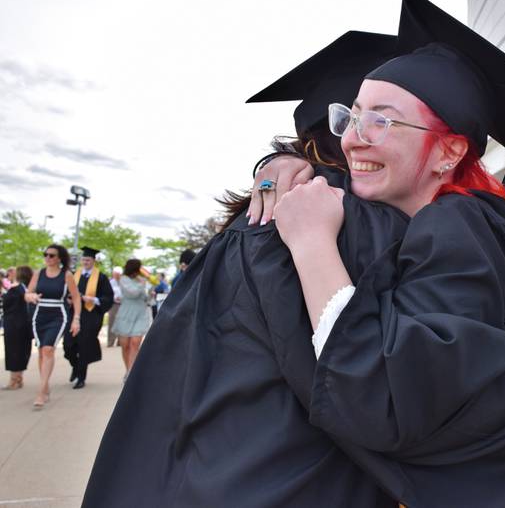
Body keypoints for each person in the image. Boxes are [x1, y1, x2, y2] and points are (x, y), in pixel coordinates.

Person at [269, 0, 505, 506]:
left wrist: (312, 242)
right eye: (353, 116)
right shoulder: (489, 223)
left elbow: (380, 394)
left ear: (448, 152)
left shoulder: (451, 226)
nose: (353, 139)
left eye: (382, 119)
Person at [84, 30, 413, 508]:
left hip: (194, 469)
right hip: (297, 479)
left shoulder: (254, 217)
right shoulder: (361, 224)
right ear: (353, 128)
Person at [24, 244, 81, 408]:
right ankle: (45, 385)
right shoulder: (39, 273)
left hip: (58, 315)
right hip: (39, 314)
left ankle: (41, 392)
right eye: (46, 254)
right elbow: (27, 294)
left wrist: (76, 319)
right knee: (42, 351)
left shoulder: (66, 275)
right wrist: (31, 296)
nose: (47, 258)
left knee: (48, 349)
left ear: (59, 258)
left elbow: (76, 298)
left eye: (51, 255)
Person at [65, 246, 114, 389]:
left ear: (93, 261)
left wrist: (92, 299)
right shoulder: (73, 275)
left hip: (91, 315)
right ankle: (75, 365)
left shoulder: (101, 277)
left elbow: (107, 298)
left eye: (88, 259)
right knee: (68, 344)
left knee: (84, 345)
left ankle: (81, 377)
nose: (85, 262)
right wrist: (68, 299)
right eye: (84, 259)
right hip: (73, 313)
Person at [112, 259, 152, 379]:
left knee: (135, 343)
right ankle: (127, 369)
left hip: (140, 313)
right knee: (125, 345)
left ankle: (131, 373)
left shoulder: (141, 280)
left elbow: (145, 297)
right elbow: (132, 293)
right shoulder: (124, 279)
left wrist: (150, 292)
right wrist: (142, 284)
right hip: (126, 314)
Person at [2, 265, 33, 390]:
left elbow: (6, 305)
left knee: (13, 352)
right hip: (25, 324)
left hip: (13, 325)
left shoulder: (15, 289)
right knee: (22, 351)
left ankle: (13, 380)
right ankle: (19, 378)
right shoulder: (27, 289)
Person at [107, 266, 123, 347]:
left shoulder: (124, 282)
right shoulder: (110, 282)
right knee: (112, 322)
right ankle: (110, 341)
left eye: (119, 274)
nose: (117, 275)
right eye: (115, 274)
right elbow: (107, 293)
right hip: (113, 304)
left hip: (123, 304)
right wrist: (114, 297)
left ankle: (120, 341)